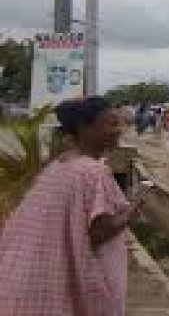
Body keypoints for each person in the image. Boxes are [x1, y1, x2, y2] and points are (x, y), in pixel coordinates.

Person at [0, 97, 150, 315]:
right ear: (84, 127)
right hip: (60, 284)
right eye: (111, 123)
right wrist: (131, 212)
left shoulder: (60, 165)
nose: (118, 130)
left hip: (26, 280)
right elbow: (98, 233)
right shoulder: (93, 171)